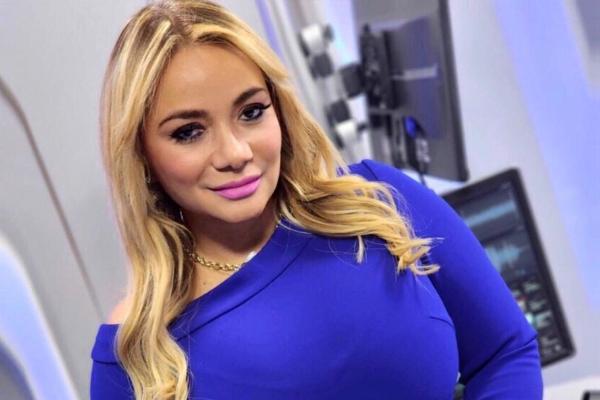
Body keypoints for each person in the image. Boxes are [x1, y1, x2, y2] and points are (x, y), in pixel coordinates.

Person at [90, 1, 543, 399]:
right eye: (189, 132)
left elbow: (505, 353)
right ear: (143, 157)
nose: (235, 153)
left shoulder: (380, 201)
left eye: (251, 112)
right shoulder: (136, 351)